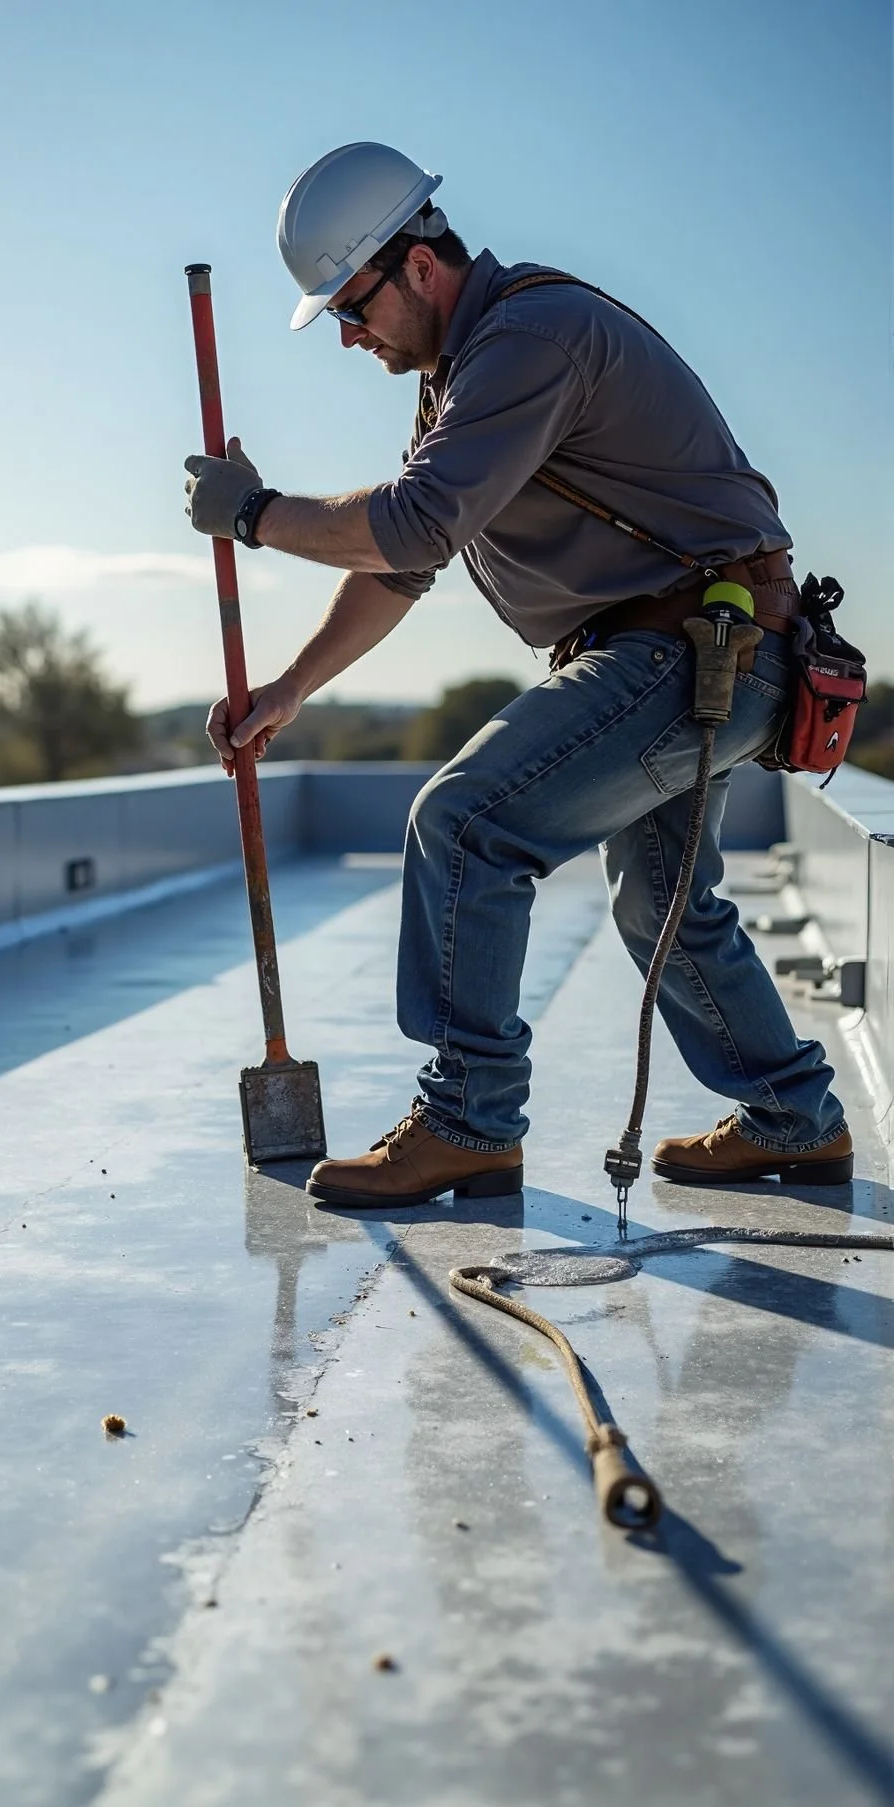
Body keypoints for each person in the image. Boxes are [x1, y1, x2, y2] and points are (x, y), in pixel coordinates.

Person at [183, 140, 851, 1208]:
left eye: (353, 306)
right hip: (708, 649)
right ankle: (795, 1116)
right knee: (664, 903)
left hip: (689, 647)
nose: (349, 335)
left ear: (417, 265)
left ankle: (469, 1122)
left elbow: (411, 523)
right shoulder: (467, 373)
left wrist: (258, 516)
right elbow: (407, 566)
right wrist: (291, 690)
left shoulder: (531, 338)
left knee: (467, 823)